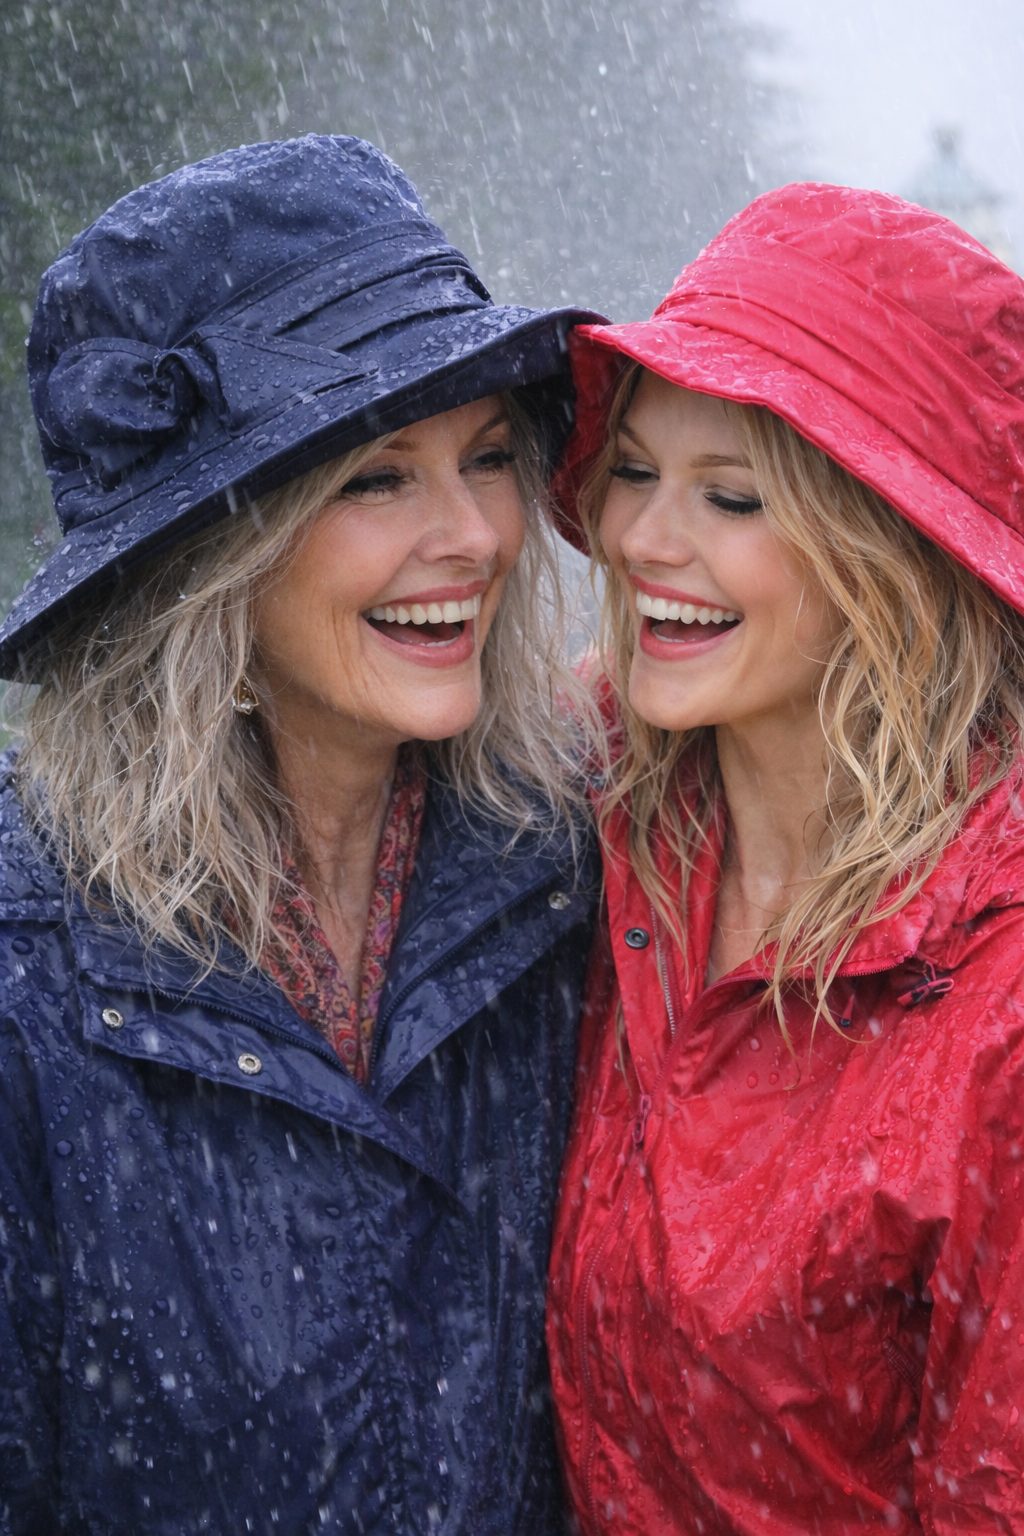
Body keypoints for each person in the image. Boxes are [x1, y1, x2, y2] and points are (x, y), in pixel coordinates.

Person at [0, 134, 603, 1534]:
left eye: (491, 456)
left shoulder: (568, 877)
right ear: (209, 554)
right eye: (376, 478)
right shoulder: (32, 972)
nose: (474, 535)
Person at [546, 183, 1024, 1533]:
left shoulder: (992, 1007)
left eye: (733, 496)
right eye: (632, 470)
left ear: (894, 559)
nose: (641, 540)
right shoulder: (596, 825)